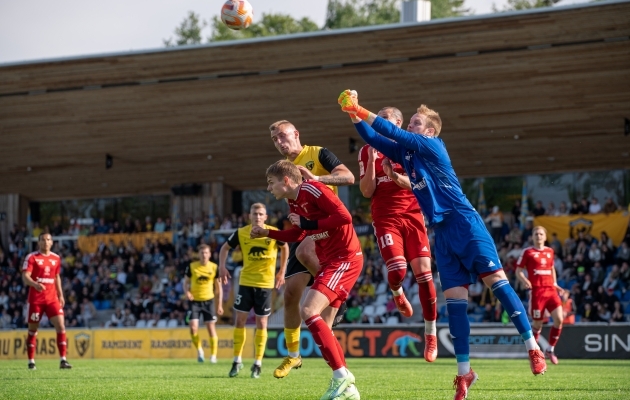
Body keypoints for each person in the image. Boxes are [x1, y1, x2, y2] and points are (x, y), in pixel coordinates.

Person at [338, 91, 546, 400]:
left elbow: (389, 131)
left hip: (465, 223)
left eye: (416, 122)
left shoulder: (432, 145)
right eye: (410, 121)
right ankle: (465, 374)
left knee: (499, 286)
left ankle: (532, 346)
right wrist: (351, 114)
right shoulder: (406, 155)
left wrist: (358, 106)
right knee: (456, 308)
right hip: (443, 235)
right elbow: (373, 136)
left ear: (430, 131)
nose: (411, 124)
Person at [251, 160, 362, 400]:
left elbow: (345, 217)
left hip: (345, 258)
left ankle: (342, 378)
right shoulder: (294, 200)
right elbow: (299, 233)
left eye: (271, 183)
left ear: (287, 181)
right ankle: (348, 389)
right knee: (323, 323)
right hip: (330, 260)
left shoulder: (313, 189)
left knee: (308, 310)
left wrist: (309, 223)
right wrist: (268, 233)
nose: (269, 188)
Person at [268, 120, 355, 379]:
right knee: (291, 294)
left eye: (282, 136)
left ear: (296, 134)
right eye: (274, 139)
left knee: (304, 254)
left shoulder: (317, 154)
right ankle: (294, 356)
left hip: (325, 226)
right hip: (304, 225)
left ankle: (337, 296)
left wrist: (319, 178)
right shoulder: (284, 169)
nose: (279, 142)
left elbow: (348, 176)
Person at [358, 106, 437, 362]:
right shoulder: (367, 149)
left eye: (385, 119)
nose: (378, 122)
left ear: (398, 124)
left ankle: (430, 333)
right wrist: (371, 162)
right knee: (398, 272)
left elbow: (418, 186)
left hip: (413, 216)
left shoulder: (410, 147)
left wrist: (393, 175)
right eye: (377, 118)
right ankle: (396, 292)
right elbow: (367, 191)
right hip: (385, 218)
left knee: (425, 275)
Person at [219, 203, 289, 378]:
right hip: (246, 282)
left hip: (265, 285)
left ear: (265, 217)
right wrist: (221, 267)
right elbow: (224, 248)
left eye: (260, 214)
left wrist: (282, 271)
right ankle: (237, 360)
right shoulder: (242, 232)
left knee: (262, 324)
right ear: (250, 216)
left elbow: (285, 246)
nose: (257, 217)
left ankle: (257, 363)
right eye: (254, 214)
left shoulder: (272, 232)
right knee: (239, 321)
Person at [516, 226, 566, 365]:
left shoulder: (550, 251)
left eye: (541, 234)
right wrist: (525, 281)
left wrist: (555, 283)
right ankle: (534, 353)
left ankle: (550, 349)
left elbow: (551, 268)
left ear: (545, 236)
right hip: (537, 291)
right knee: (538, 323)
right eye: (536, 234)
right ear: (532, 237)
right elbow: (518, 271)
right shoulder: (528, 252)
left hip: (551, 290)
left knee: (559, 319)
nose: (538, 236)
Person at [21, 233, 72, 370]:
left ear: (52, 242)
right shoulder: (32, 257)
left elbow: (56, 277)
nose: (45, 242)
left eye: (48, 240)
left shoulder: (56, 258)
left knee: (61, 325)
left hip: (52, 299)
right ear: (38, 243)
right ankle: (31, 361)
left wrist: (61, 295)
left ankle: (63, 360)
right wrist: (34, 284)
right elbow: (25, 276)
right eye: (43, 240)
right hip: (36, 300)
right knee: (33, 330)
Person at [184, 244, 223, 364]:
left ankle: (213, 355)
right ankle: (200, 351)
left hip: (209, 301)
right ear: (199, 254)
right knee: (193, 328)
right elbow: (185, 283)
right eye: (202, 253)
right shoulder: (192, 267)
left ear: (210, 254)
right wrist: (187, 292)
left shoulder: (214, 267)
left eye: (206, 253)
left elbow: (219, 287)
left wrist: (219, 304)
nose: (204, 255)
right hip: (195, 301)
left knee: (211, 328)